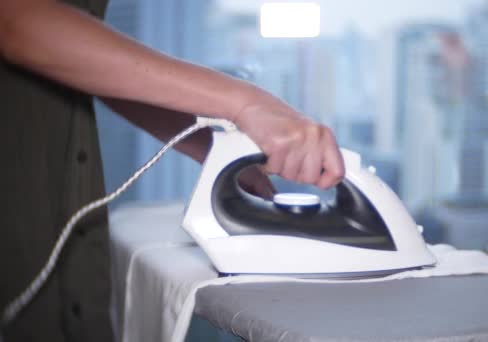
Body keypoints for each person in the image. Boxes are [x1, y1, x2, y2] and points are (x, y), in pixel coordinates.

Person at [0, 0, 345, 341]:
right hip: (21, 212)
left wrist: (218, 151)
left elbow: (89, 65)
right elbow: (14, 18)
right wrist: (247, 104)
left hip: (71, 234)